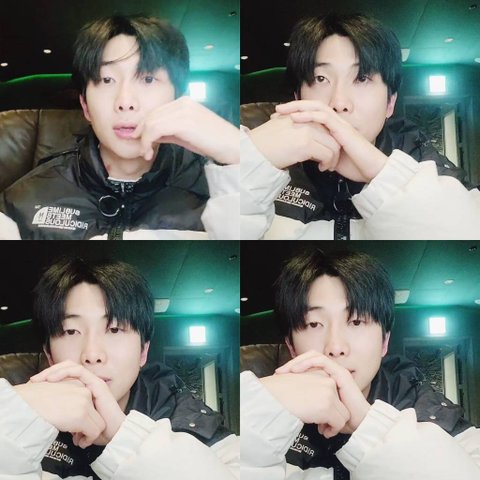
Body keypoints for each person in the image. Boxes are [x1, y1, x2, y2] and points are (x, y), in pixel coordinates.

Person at [240, 249, 480, 479]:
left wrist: (372, 430)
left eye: (356, 322)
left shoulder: (433, 413)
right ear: (291, 347)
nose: (335, 347)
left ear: (384, 342)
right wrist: (261, 418)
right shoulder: (256, 416)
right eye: (314, 324)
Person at [240, 13, 480, 239]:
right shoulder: (268, 158)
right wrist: (253, 163)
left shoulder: (422, 159)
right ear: (297, 97)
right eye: (320, 78)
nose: (339, 103)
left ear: (390, 103)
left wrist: (383, 175)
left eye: (362, 78)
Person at [0, 15, 239, 240]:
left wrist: (237, 154)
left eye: (147, 79)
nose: (125, 102)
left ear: (179, 100)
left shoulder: (222, 189)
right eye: (107, 80)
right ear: (85, 106)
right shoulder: (22, 201)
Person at [0, 257, 239, 479]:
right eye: (71, 331)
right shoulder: (25, 416)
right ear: (49, 355)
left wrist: (126, 439)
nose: (92, 355)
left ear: (143, 352)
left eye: (114, 329)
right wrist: (13, 423)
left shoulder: (190, 418)